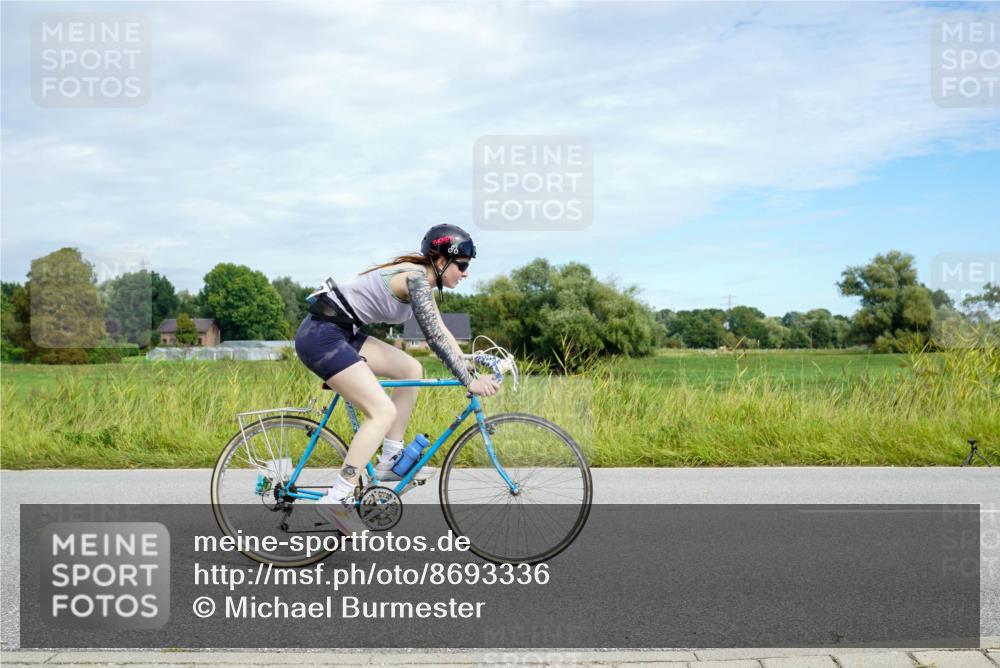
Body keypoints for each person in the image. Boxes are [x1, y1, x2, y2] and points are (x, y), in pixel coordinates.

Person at [294, 224, 499, 537]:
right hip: (321, 336)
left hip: (343, 333)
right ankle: (338, 496)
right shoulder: (415, 278)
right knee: (382, 412)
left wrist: (471, 360)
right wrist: (468, 381)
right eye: (463, 265)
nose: (466, 273)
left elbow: (442, 331)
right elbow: (433, 336)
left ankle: (390, 458)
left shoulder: (423, 282)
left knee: (411, 369)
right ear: (442, 260)